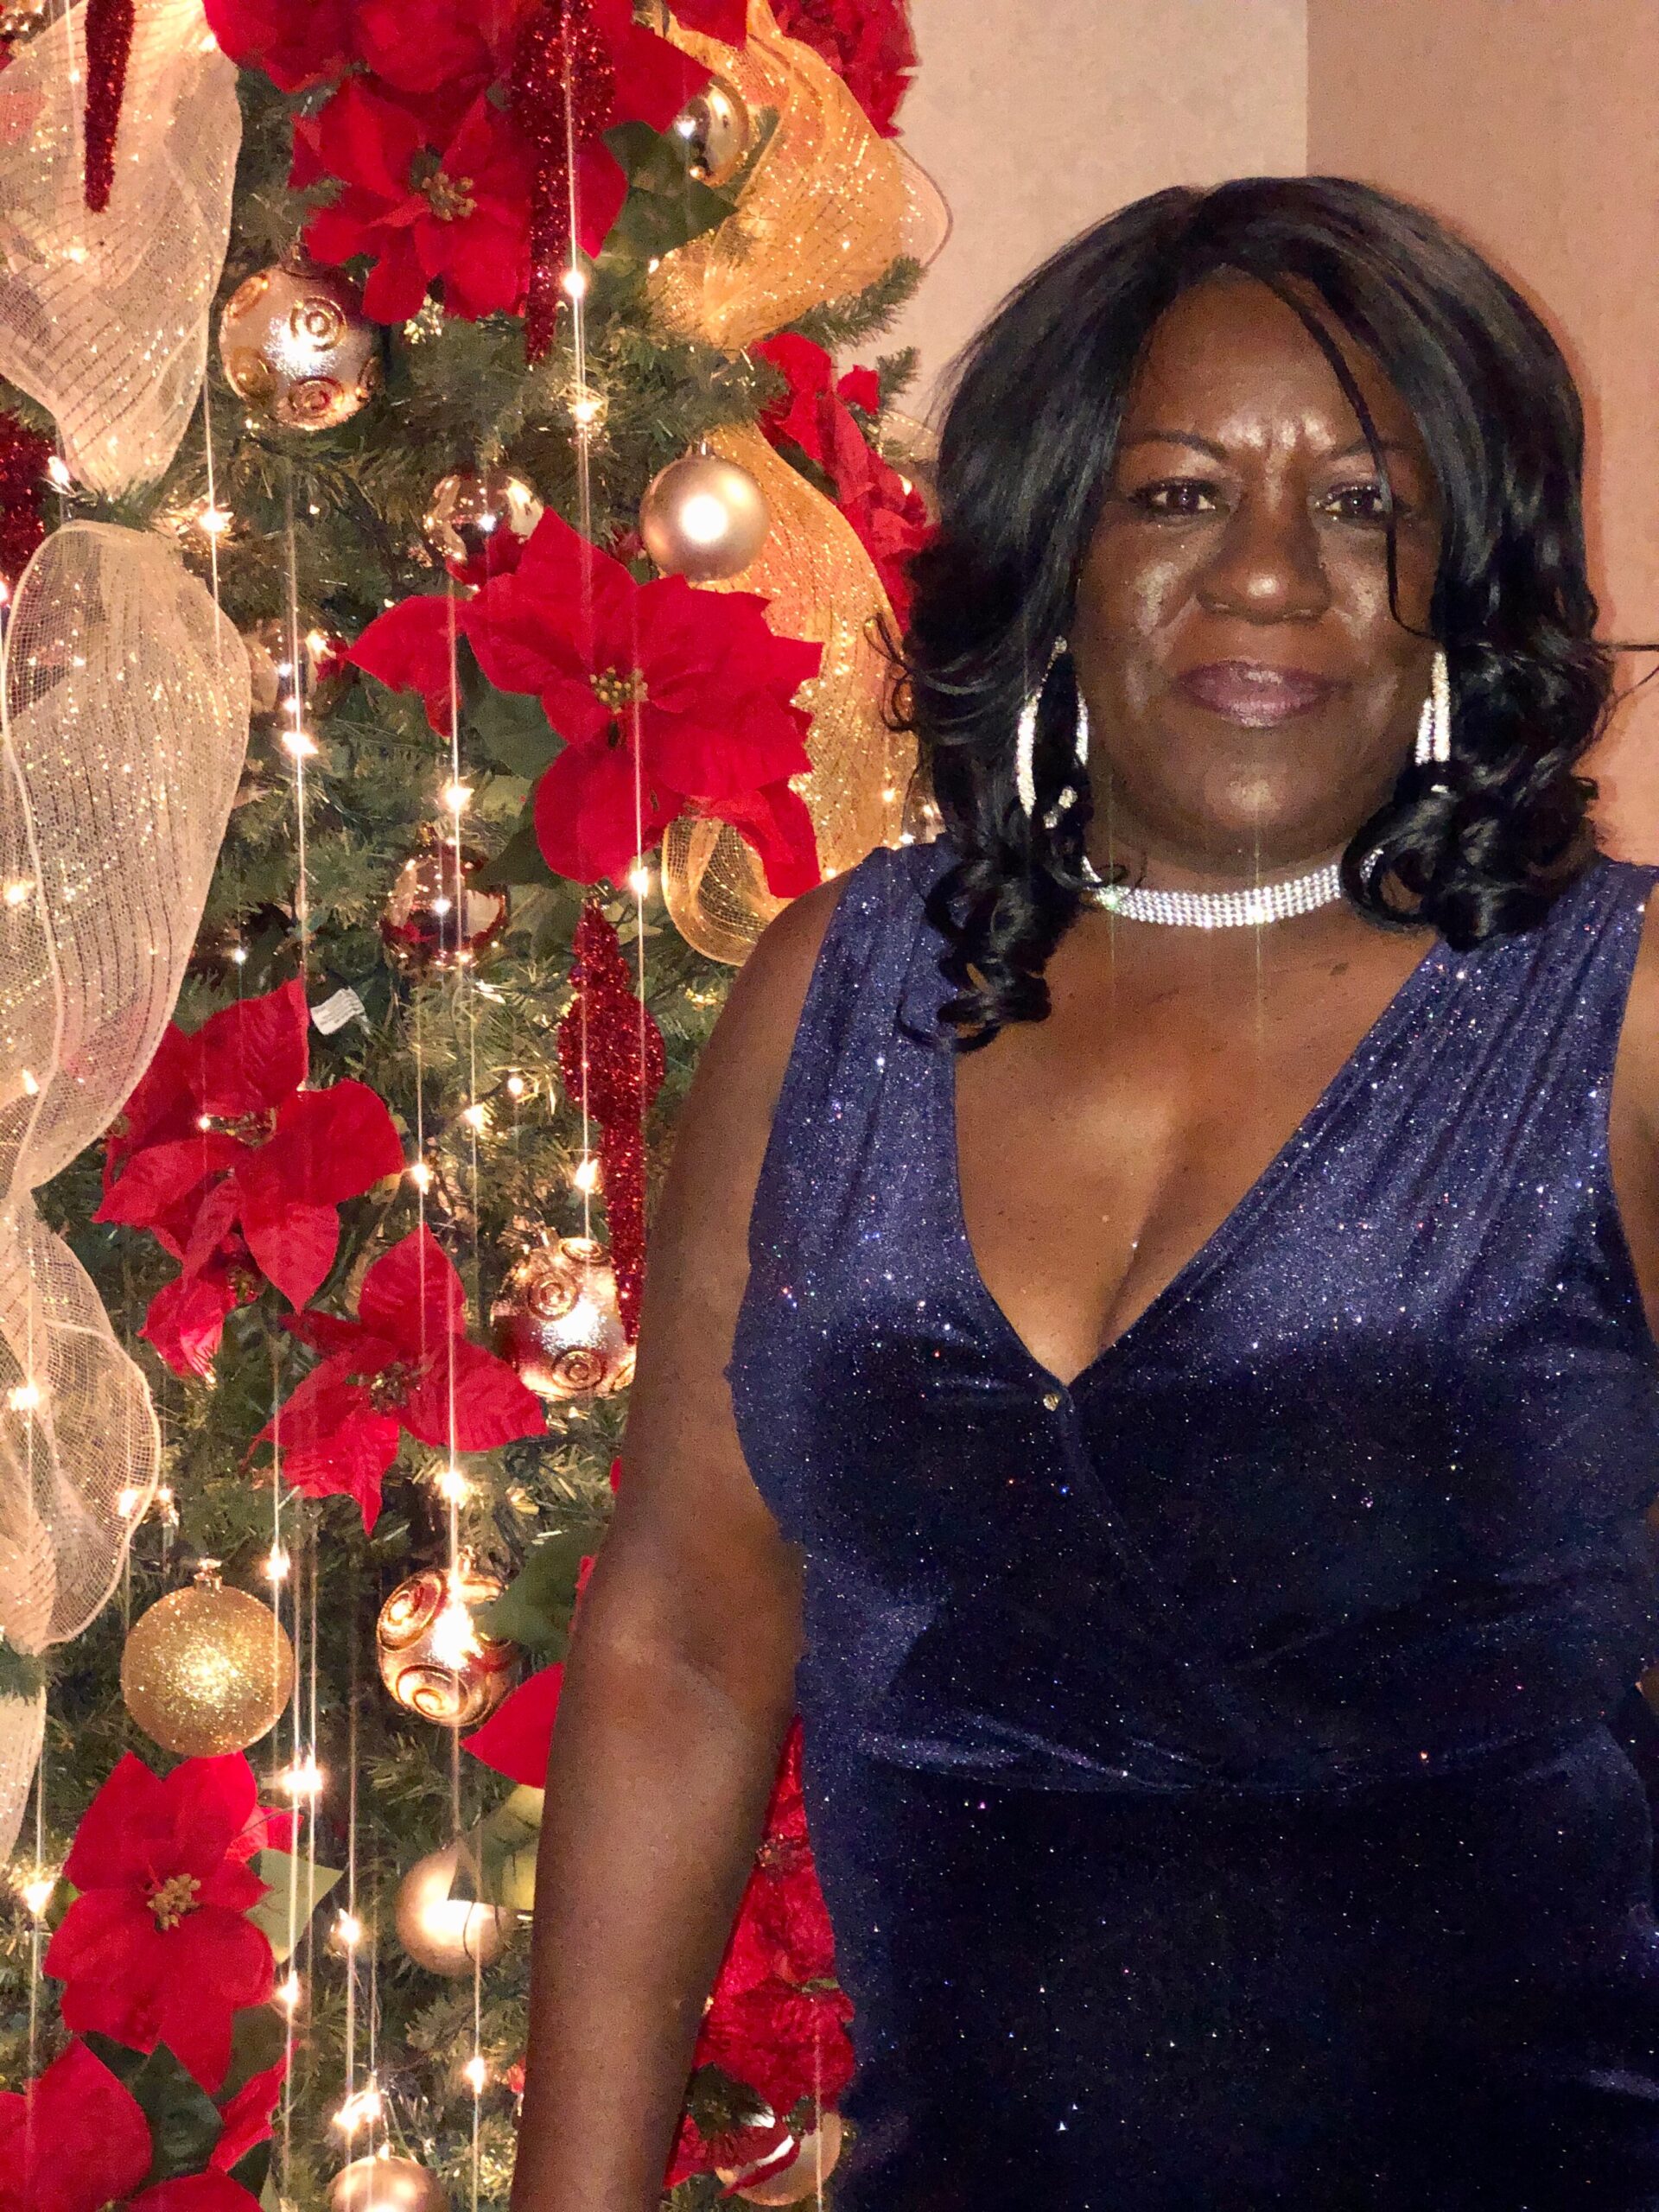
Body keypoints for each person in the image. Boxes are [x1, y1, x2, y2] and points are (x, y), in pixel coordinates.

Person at [512, 175, 1659, 2210]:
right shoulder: (834, 992)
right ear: (1059, 551)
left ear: (1461, 585)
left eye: (1364, 507)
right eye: (1179, 495)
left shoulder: (1618, 1011)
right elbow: (686, 1637)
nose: (1271, 574)